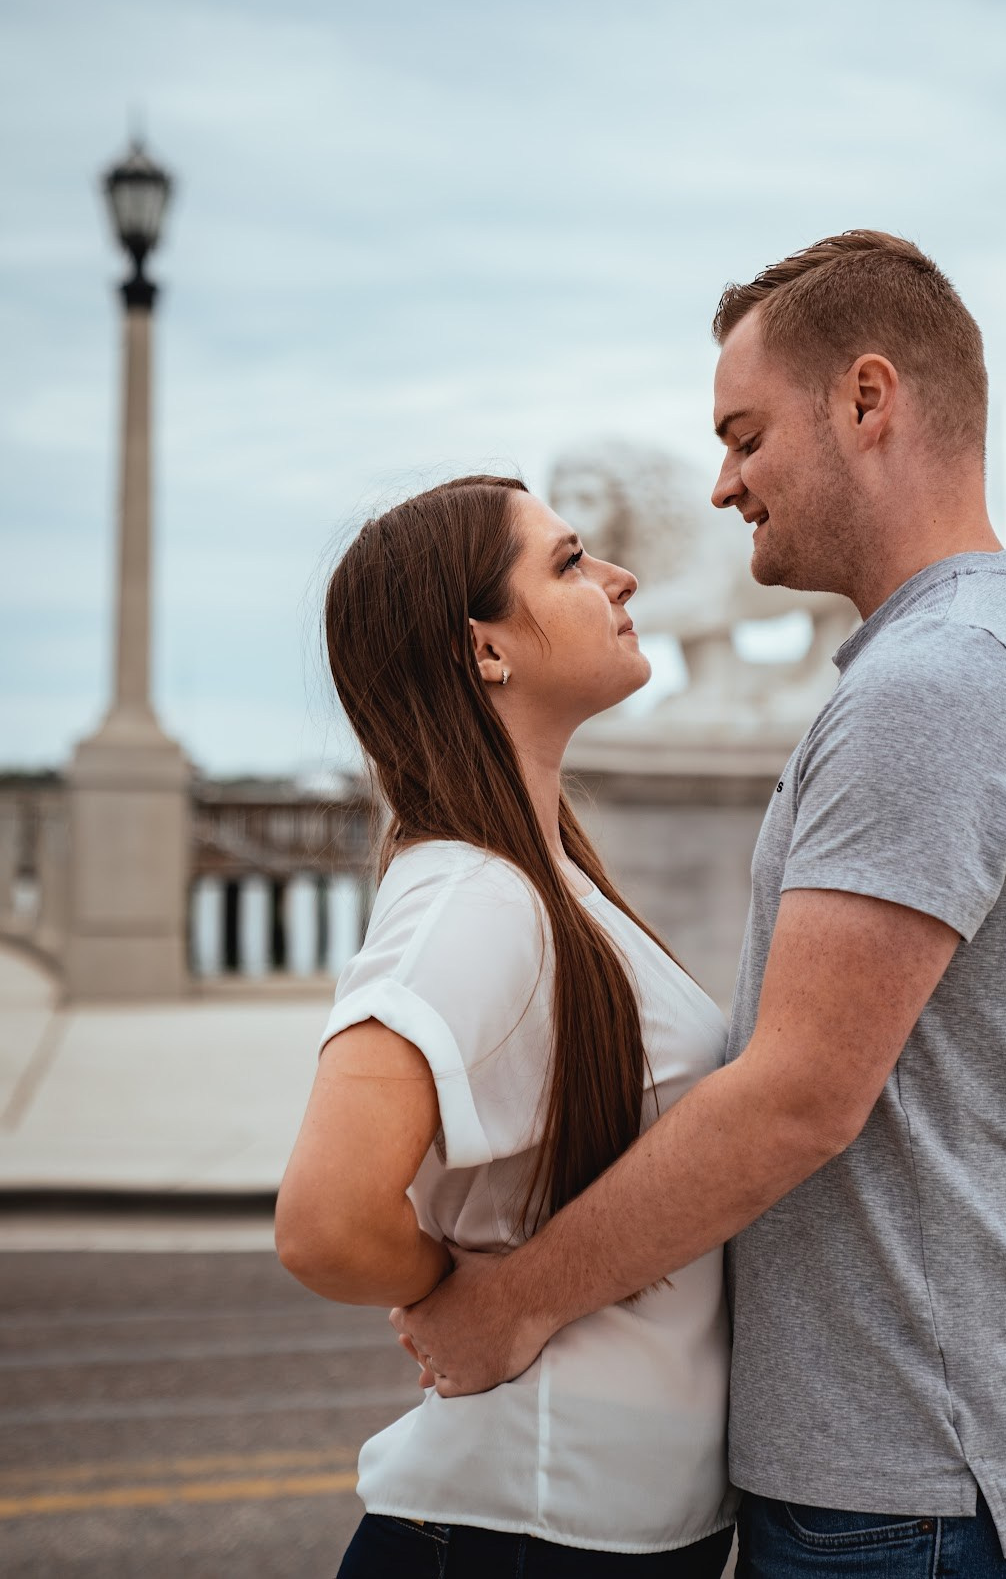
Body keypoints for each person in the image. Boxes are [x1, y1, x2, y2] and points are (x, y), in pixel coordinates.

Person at [394, 232, 1006, 1576]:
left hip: (927, 1493)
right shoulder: (951, 660)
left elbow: (801, 1093)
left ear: (870, 402)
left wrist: (508, 1305)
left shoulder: (937, 684)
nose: (721, 483)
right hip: (933, 1484)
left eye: (745, 436)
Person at [275, 476, 739, 1577]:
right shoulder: (469, 898)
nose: (622, 579)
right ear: (486, 649)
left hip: (579, 1524)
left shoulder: (541, 883)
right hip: (518, 1529)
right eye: (571, 563)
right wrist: (462, 1298)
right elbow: (325, 1219)